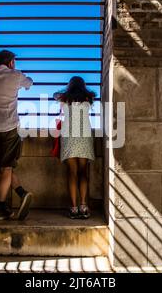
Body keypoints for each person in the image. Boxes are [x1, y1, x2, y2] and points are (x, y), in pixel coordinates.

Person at [0, 50, 34, 220]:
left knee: (1, 168)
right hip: (9, 127)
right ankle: (0, 208)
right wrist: (21, 78)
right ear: (11, 62)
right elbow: (29, 83)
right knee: (7, 167)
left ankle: (22, 193)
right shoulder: (16, 75)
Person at [54, 76, 96, 219]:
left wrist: (66, 92)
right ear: (83, 86)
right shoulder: (88, 98)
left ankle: (73, 208)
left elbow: (55, 96)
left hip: (69, 136)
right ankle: (84, 206)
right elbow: (93, 95)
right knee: (83, 172)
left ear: (70, 86)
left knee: (72, 172)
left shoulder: (64, 99)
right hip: (84, 136)